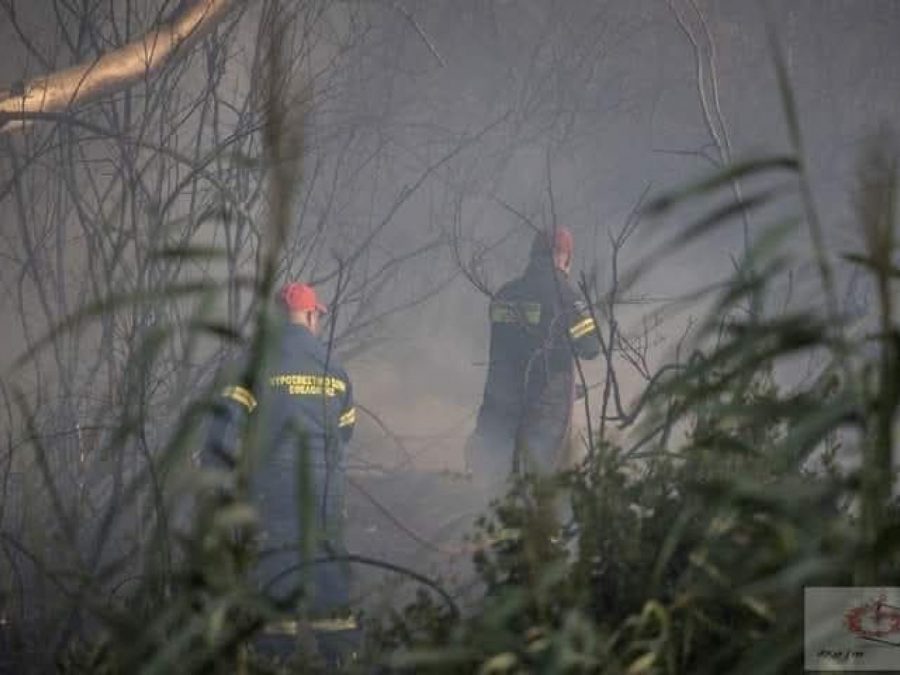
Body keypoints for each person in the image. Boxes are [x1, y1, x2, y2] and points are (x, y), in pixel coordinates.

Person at [204, 281, 358, 666]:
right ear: (311, 316)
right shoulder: (334, 368)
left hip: (277, 483)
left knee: (279, 560)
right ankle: (341, 657)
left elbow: (224, 427)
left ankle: (275, 658)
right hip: (326, 486)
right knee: (327, 562)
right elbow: (345, 431)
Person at [466, 226, 601, 491]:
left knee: (493, 489)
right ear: (564, 257)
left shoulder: (505, 294)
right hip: (544, 416)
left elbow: (515, 349)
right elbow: (591, 347)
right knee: (538, 490)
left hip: (498, 409)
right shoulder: (567, 298)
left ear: (532, 255)